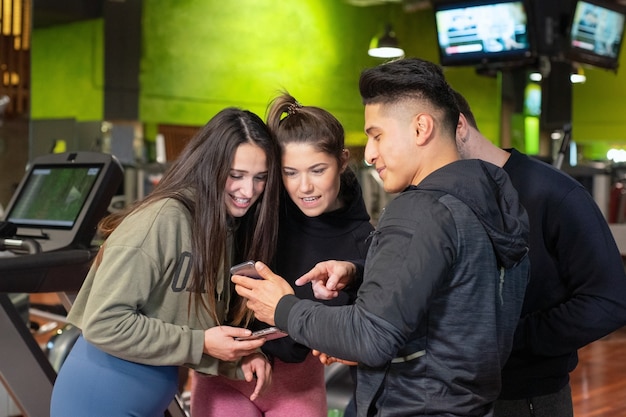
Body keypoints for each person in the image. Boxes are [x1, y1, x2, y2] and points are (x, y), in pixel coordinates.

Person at [232, 57, 531, 417]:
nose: (370, 154)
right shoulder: (490, 201)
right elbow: (443, 310)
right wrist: (360, 273)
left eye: (377, 135)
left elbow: (370, 338)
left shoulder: (421, 211)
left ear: (421, 128)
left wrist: (282, 306)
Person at [50, 107, 282, 417]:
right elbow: (104, 322)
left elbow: (185, 322)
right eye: (236, 175)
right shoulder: (163, 219)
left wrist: (236, 359)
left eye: (260, 178)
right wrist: (200, 342)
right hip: (99, 398)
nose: (248, 190)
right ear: (209, 167)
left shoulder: (220, 227)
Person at [190, 91, 374, 416]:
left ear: (343, 161)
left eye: (317, 170)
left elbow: (369, 330)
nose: (304, 187)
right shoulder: (258, 210)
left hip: (299, 380)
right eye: (290, 173)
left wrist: (352, 276)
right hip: (230, 368)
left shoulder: (364, 241)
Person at [453, 89, 626, 417]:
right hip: (449, 394)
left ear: (459, 126)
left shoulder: (555, 194)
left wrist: (508, 339)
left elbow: (609, 302)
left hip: (525, 398)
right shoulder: (439, 196)